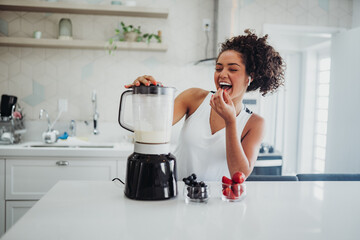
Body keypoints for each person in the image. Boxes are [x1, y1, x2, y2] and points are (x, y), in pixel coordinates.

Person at [125, 29, 285, 181]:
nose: (222, 74)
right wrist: (150, 94)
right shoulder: (193, 97)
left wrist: (231, 122)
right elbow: (153, 126)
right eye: (218, 68)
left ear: (249, 78)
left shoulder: (255, 124)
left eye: (233, 69)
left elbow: (239, 174)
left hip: (217, 202)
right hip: (177, 193)